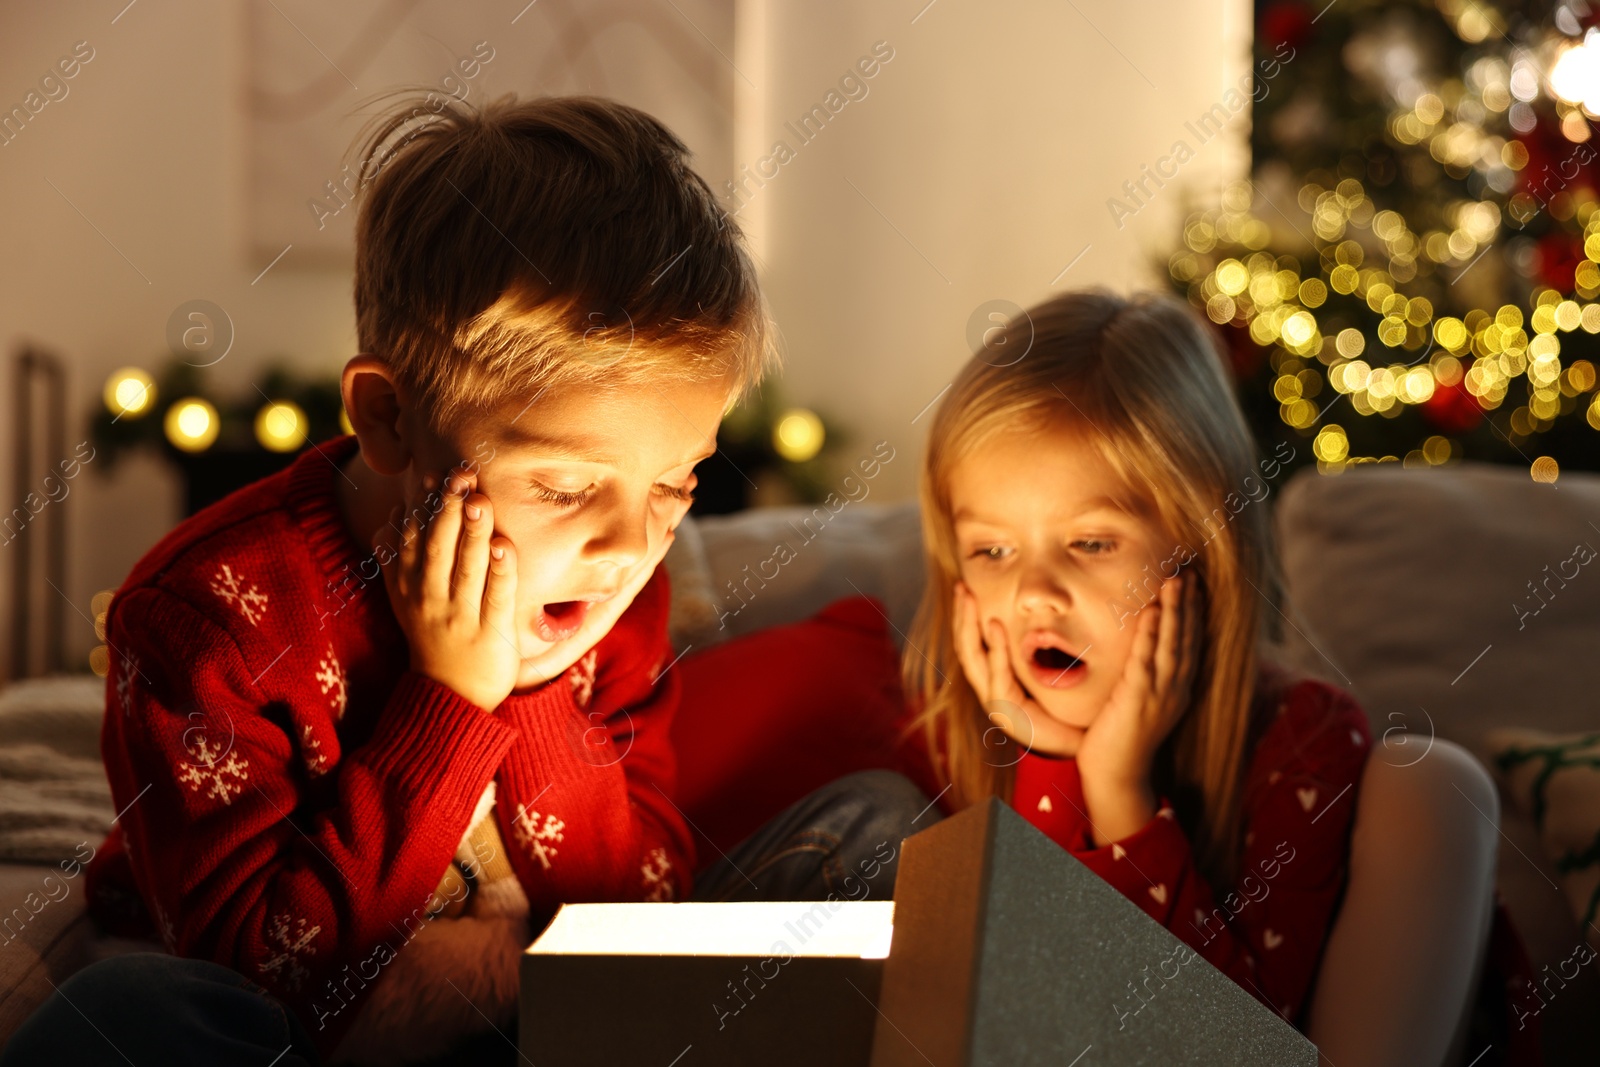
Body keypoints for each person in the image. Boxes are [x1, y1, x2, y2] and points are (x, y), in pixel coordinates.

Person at [2, 94, 928, 1067]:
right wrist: (447, 701)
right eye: (567, 485)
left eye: (673, 482)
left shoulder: (611, 589)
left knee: (873, 821)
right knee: (134, 1011)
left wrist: (529, 686)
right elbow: (273, 971)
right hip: (318, 1043)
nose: (625, 544)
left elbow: (634, 907)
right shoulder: (207, 615)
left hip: (552, 1028)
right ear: (390, 419)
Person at [901, 288, 1535, 1059]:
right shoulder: (945, 745)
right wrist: (1051, 771)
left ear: (1205, 554)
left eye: (1092, 543)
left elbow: (1226, 1050)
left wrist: (1115, 796)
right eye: (992, 551)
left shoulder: (1306, 748)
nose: (1033, 591)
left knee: (1437, 776)